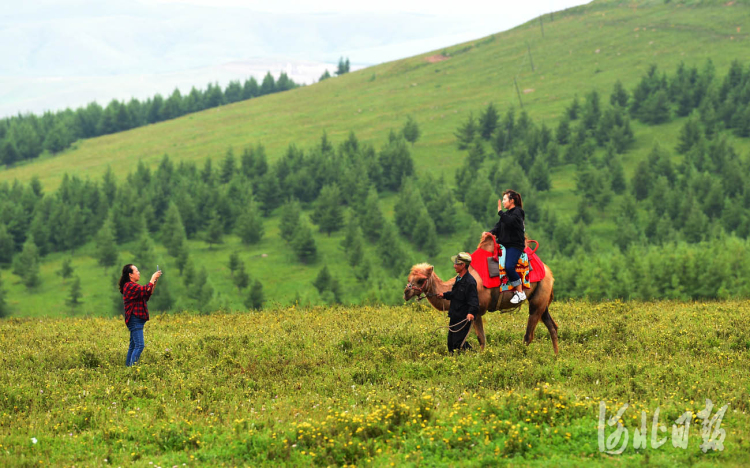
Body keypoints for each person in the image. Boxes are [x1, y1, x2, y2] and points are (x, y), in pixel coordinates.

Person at [119, 264, 161, 367]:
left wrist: (154, 281)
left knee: (133, 346)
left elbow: (147, 294)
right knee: (140, 345)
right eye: (136, 271)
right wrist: (152, 278)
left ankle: (128, 367)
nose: (139, 273)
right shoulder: (129, 286)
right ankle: (132, 369)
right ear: (130, 275)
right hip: (134, 319)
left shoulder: (133, 286)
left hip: (136, 319)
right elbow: (145, 289)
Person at [489, 189, 527, 304]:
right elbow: (498, 227)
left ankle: (520, 292)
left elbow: (510, 222)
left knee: (509, 266)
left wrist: (500, 212)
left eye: (505, 199)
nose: (504, 202)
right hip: (504, 245)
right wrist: (489, 234)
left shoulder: (518, 212)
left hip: (515, 246)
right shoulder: (506, 215)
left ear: (512, 201)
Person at [437, 252, 479, 353]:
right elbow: (455, 294)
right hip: (454, 315)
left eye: (456, 264)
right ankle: (453, 362)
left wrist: (471, 313)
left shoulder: (470, 282)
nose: (454, 266)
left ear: (463, 265)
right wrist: (445, 295)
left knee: (458, 343)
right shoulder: (459, 278)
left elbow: (474, 301)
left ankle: (474, 355)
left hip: (463, 317)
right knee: (450, 344)